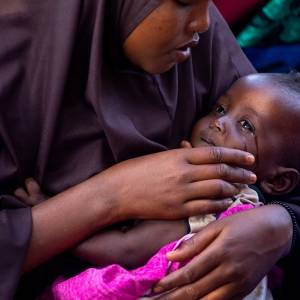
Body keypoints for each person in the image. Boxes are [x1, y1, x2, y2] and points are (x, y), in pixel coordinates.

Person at [0, 1, 297, 300]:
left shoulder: (201, 47)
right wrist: (110, 196)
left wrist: (281, 224)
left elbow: (285, 153)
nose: (203, 23)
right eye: (183, 2)